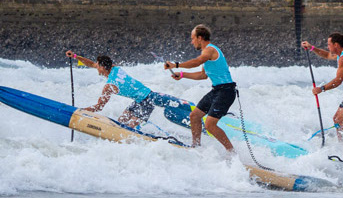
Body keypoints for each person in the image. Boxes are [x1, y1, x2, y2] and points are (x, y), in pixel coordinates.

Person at [163, 24, 236, 154]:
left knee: (210, 125)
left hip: (226, 91)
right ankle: (196, 147)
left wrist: (176, 65)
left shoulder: (209, 50)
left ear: (200, 38)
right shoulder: (207, 53)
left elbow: (196, 62)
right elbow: (202, 75)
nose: (192, 42)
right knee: (195, 116)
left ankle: (232, 153)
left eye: (193, 38)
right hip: (217, 90)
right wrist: (182, 74)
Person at [66, 52, 184, 128]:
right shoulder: (115, 68)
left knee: (128, 129)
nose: (96, 67)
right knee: (120, 123)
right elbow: (91, 64)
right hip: (140, 100)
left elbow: (99, 107)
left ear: (102, 67)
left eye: (98, 65)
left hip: (147, 101)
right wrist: (75, 56)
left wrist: (79, 111)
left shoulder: (109, 86)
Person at [301, 32, 343, 145]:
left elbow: (338, 81)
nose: (327, 47)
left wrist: (321, 89)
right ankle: (342, 146)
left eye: (329, 44)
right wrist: (311, 48)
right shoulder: (342, 53)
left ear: (336, 45)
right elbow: (327, 55)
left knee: (340, 119)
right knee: (337, 119)